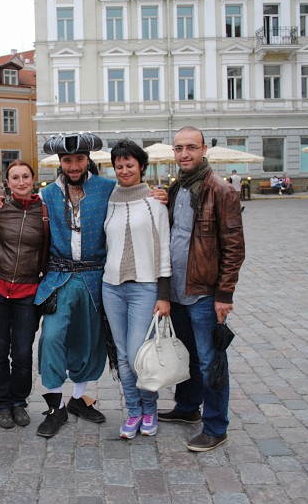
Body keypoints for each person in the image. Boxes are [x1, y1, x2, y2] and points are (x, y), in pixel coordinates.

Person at [158, 126, 245, 453]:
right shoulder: (178, 187)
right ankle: (187, 407)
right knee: (188, 355)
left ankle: (215, 427)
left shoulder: (221, 191)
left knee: (211, 361)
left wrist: (224, 295)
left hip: (205, 294)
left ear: (204, 149)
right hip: (178, 291)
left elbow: (234, 248)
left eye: (191, 147)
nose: (184, 154)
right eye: (179, 148)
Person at [33, 132, 115, 439]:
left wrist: (158, 195)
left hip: (95, 278)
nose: (74, 165)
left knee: (89, 340)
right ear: (60, 162)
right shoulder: (47, 195)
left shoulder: (108, 188)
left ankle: (78, 399)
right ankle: (55, 408)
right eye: (67, 160)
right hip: (60, 276)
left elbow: (134, 201)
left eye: (79, 159)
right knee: (51, 338)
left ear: (88, 159)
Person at [102, 140, 171, 439]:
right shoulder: (109, 200)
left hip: (144, 287)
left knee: (137, 354)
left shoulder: (156, 201)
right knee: (121, 354)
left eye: (130, 165)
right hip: (111, 287)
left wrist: (164, 294)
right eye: (119, 166)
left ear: (141, 166)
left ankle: (150, 408)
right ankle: (133, 412)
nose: (124, 170)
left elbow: (164, 248)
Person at [0, 160, 46, 429]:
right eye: (15, 178)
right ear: (7, 182)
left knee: (22, 352)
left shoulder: (45, 211)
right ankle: (2, 405)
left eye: (25, 176)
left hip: (28, 292)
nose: (21, 182)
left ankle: (19, 401)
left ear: (33, 179)